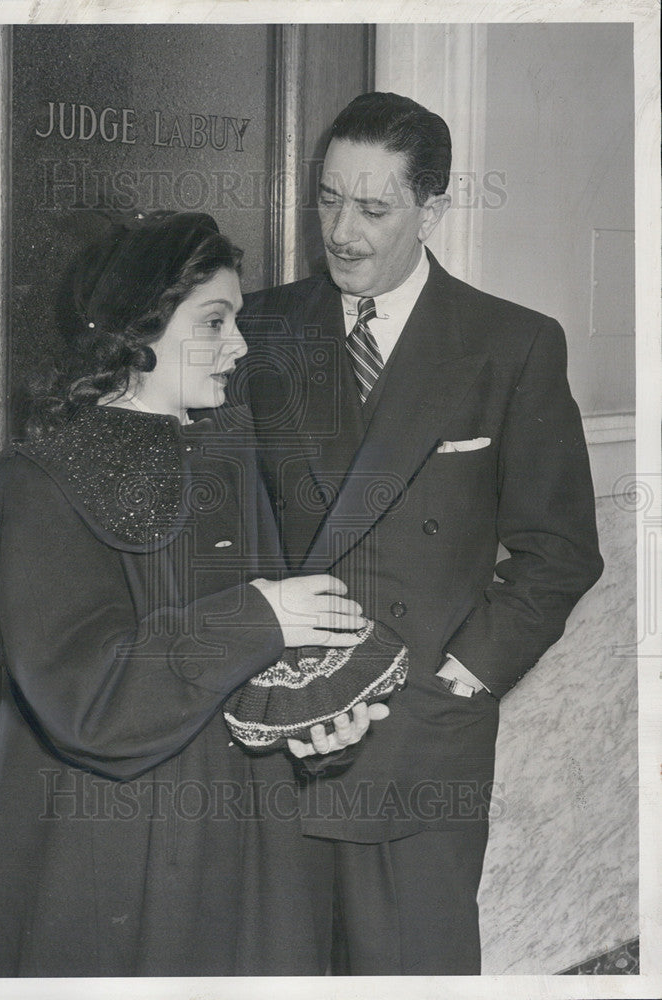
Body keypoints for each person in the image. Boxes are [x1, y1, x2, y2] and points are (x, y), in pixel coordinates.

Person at [0, 211, 381, 977]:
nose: (241, 346)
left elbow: (258, 676)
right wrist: (261, 613)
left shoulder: (230, 444)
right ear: (138, 328)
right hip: (116, 850)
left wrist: (313, 731)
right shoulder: (40, 479)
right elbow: (91, 700)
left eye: (238, 321)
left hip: (245, 841)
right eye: (214, 322)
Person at [235, 93, 604, 974]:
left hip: (418, 738)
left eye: (373, 208)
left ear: (432, 210)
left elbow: (562, 551)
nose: (343, 231)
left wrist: (462, 679)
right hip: (276, 731)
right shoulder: (257, 329)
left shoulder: (510, 344)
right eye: (328, 199)